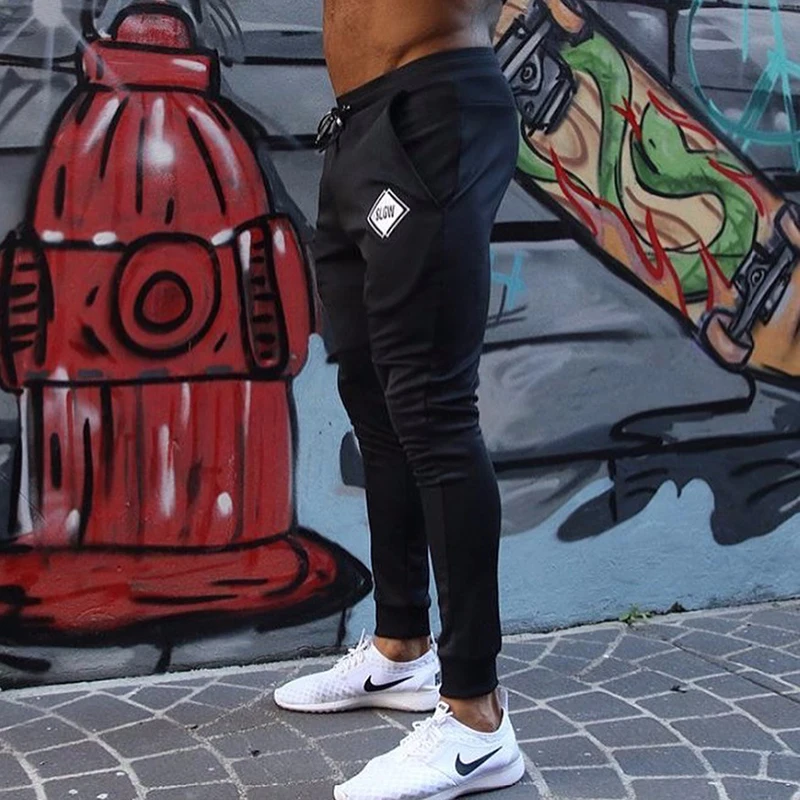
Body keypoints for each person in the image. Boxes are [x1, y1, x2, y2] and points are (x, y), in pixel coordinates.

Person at [274, 1, 523, 798]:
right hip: (358, 125)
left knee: (432, 407)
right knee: (373, 397)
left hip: (433, 107)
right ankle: (400, 649)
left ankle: (477, 719)